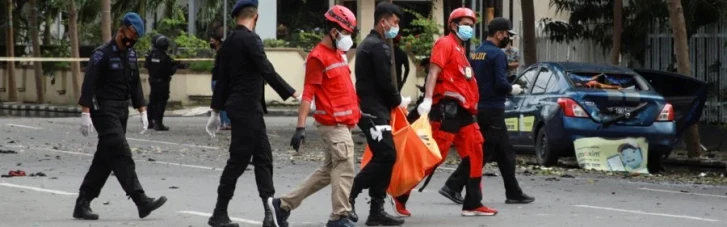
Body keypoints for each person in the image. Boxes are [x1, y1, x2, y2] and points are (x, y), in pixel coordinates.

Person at [205, 1, 301, 227]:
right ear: (255, 17)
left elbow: (221, 80)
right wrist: (294, 92)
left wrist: (215, 110)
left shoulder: (228, 43)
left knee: (263, 159)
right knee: (238, 161)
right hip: (247, 109)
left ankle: (270, 214)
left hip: (244, 110)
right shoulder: (251, 40)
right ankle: (219, 214)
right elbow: (266, 69)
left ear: (236, 17)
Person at [267, 6, 359, 227]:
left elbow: (343, 89)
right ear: (334, 31)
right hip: (332, 125)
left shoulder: (339, 54)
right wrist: (300, 127)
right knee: (345, 167)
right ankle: (339, 216)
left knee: (328, 172)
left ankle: (282, 206)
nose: (349, 38)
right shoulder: (318, 57)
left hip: (344, 123)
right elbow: (308, 93)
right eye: (346, 33)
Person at [401, 7, 498, 217]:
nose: (469, 28)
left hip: (463, 113)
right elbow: (433, 72)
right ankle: (400, 193)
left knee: (476, 152)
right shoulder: (445, 44)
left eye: (471, 25)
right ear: (453, 25)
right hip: (446, 112)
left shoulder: (460, 49)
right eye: (465, 24)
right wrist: (427, 99)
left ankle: (473, 203)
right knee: (433, 157)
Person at [74, 12, 167, 221]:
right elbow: (89, 83)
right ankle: (141, 200)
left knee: (106, 158)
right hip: (103, 109)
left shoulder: (131, 55)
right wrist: (85, 112)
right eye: (129, 36)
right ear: (121, 29)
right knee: (121, 150)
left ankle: (83, 202)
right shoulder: (102, 54)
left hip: (121, 110)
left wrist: (143, 110)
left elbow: (135, 85)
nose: (130, 41)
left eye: (134, 39)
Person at [440, 17, 535, 207]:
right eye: (507, 34)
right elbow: (500, 83)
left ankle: (513, 191)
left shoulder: (477, 53)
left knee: (505, 152)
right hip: (493, 108)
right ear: (499, 34)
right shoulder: (498, 55)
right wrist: (512, 89)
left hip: (479, 106)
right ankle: (453, 185)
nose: (508, 38)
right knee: (482, 151)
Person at [348, 2, 410, 226]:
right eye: (394, 22)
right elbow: (386, 82)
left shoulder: (370, 44)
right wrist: (399, 101)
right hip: (374, 111)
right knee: (387, 156)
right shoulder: (378, 46)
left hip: (373, 110)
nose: (396, 27)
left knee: (384, 157)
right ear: (383, 21)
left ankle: (376, 210)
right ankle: (352, 192)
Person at [145, 35, 177, 131]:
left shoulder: (151, 55)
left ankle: (149, 121)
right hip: (162, 82)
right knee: (161, 102)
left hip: (152, 81)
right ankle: (158, 123)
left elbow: (147, 66)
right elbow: (169, 71)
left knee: (152, 101)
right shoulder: (165, 58)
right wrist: (175, 66)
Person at [209, 31, 232, 130]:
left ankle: (226, 122)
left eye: (212, 41)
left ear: (218, 41)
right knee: (220, 101)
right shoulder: (219, 52)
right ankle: (224, 122)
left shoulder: (222, 52)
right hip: (216, 79)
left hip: (219, 80)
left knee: (223, 101)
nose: (211, 43)